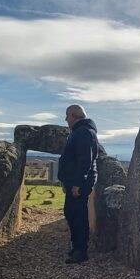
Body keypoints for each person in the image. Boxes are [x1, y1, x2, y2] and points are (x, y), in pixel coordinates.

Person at [58, 104, 99, 263]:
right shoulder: (81, 131)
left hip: (79, 182)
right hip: (75, 181)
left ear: (74, 115)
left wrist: (77, 183)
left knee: (78, 215)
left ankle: (81, 251)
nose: (66, 119)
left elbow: (85, 161)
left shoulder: (83, 132)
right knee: (71, 213)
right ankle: (76, 246)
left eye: (67, 115)